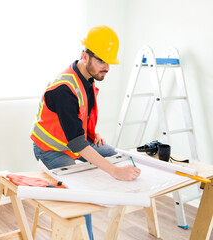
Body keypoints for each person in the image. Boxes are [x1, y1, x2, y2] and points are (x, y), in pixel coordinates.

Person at [30, 25, 141, 240]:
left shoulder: (88, 77)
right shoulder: (64, 87)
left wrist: (91, 134)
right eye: (101, 61)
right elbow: (76, 144)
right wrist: (114, 172)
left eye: (109, 63)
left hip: (74, 142)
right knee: (81, 191)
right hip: (50, 150)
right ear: (85, 56)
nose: (106, 68)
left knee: (118, 155)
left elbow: (79, 117)